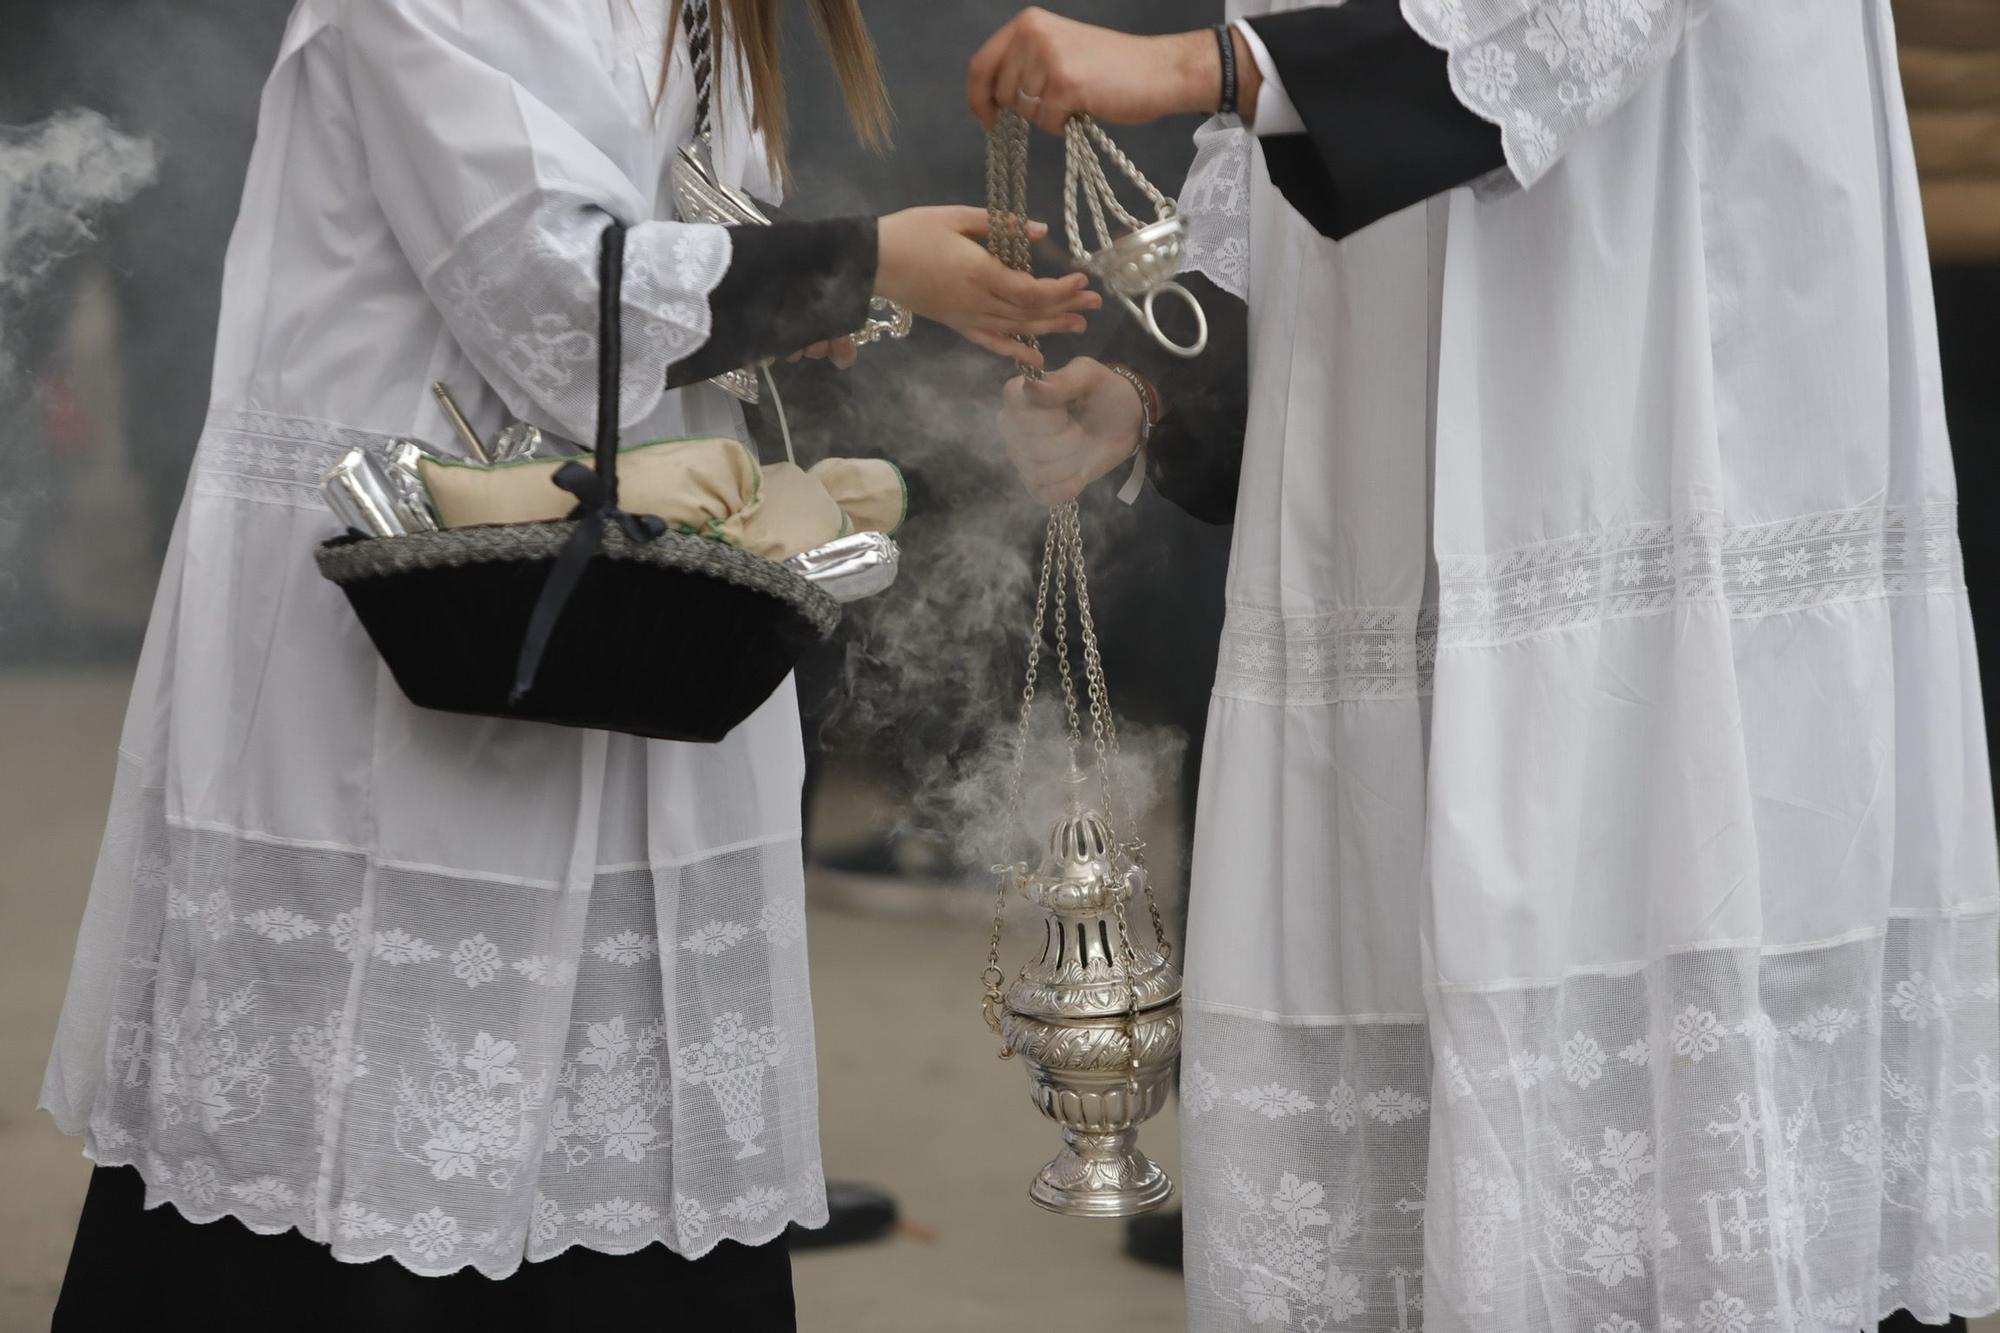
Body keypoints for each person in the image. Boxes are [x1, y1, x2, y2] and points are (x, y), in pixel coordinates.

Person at [39, 1, 1099, 1327]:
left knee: (627, 1140)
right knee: (362, 1140)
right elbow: (546, 292)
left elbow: (684, 231)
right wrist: (858, 266)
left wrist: (798, 297)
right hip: (409, 617)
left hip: (631, 630)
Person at [982, 4, 1998, 1331]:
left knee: (1658, 890)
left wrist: (1209, 69)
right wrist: (1166, 371)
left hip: (1653, 338)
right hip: (1398, 394)